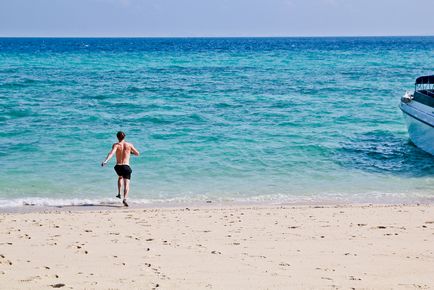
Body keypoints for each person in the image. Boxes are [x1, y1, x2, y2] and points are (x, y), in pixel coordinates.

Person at [101, 131, 139, 207]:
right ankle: (125, 199)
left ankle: (119, 193)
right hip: (126, 166)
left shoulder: (116, 145)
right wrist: (130, 152)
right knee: (127, 184)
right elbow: (137, 153)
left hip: (118, 167)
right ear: (124, 137)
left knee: (120, 177)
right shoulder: (129, 145)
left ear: (117, 137)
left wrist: (105, 161)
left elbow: (111, 153)